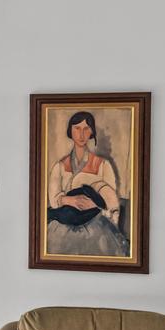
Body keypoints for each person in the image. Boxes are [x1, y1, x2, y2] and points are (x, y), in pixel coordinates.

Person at [45, 110, 128, 258]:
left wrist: (94, 204)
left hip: (95, 221)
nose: (81, 134)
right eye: (77, 128)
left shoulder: (103, 165)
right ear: (70, 131)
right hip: (63, 222)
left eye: (86, 129)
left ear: (92, 132)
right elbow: (53, 198)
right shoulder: (59, 166)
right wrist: (70, 200)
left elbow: (111, 201)